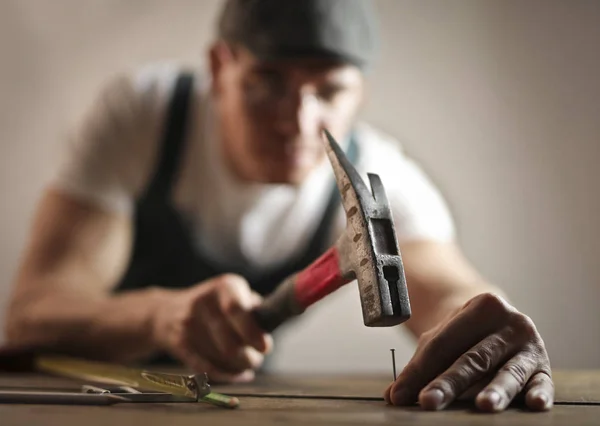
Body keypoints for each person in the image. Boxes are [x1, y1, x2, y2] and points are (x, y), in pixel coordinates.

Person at [4, 0, 552, 412]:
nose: (297, 123)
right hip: (83, 400)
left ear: (359, 92)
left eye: (330, 92)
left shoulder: (383, 174)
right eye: (268, 83)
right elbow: (32, 315)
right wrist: (158, 317)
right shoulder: (144, 120)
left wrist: (495, 331)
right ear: (220, 68)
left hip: (232, 402)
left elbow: (451, 294)